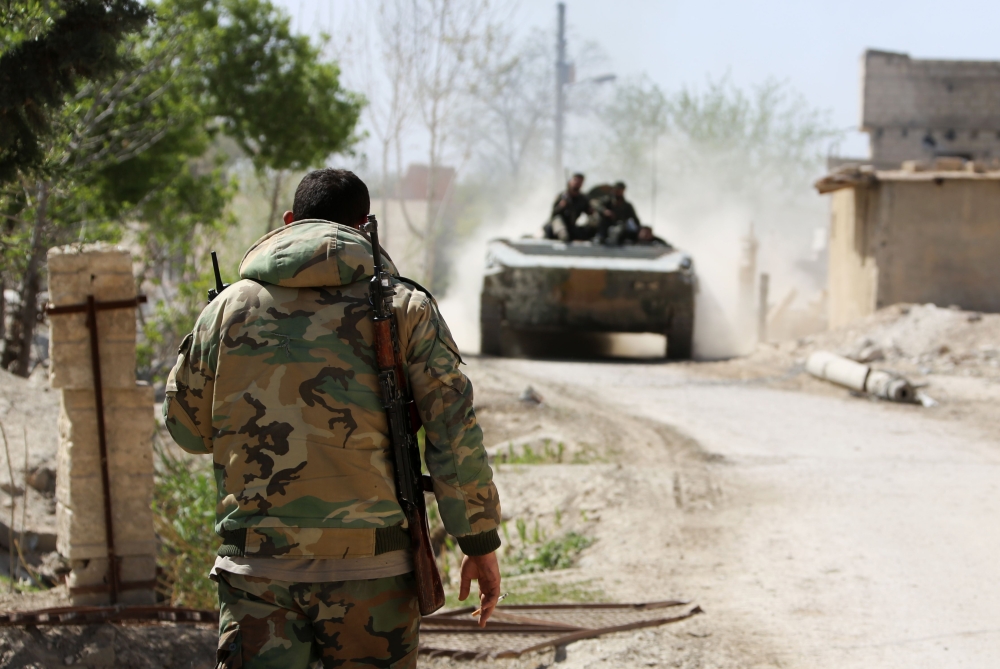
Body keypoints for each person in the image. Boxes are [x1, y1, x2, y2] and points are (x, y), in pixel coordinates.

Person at [162, 168, 502, 669]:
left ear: (289, 221)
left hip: (258, 569)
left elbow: (187, 431)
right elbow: (453, 434)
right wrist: (478, 541)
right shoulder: (403, 307)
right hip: (374, 572)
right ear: (364, 226)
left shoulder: (227, 309)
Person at [545, 172, 594, 241]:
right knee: (557, 220)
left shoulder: (582, 199)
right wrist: (561, 206)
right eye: (575, 180)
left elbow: (589, 211)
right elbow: (553, 214)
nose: (577, 183)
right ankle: (563, 236)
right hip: (556, 228)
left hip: (571, 227)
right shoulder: (562, 196)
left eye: (579, 182)